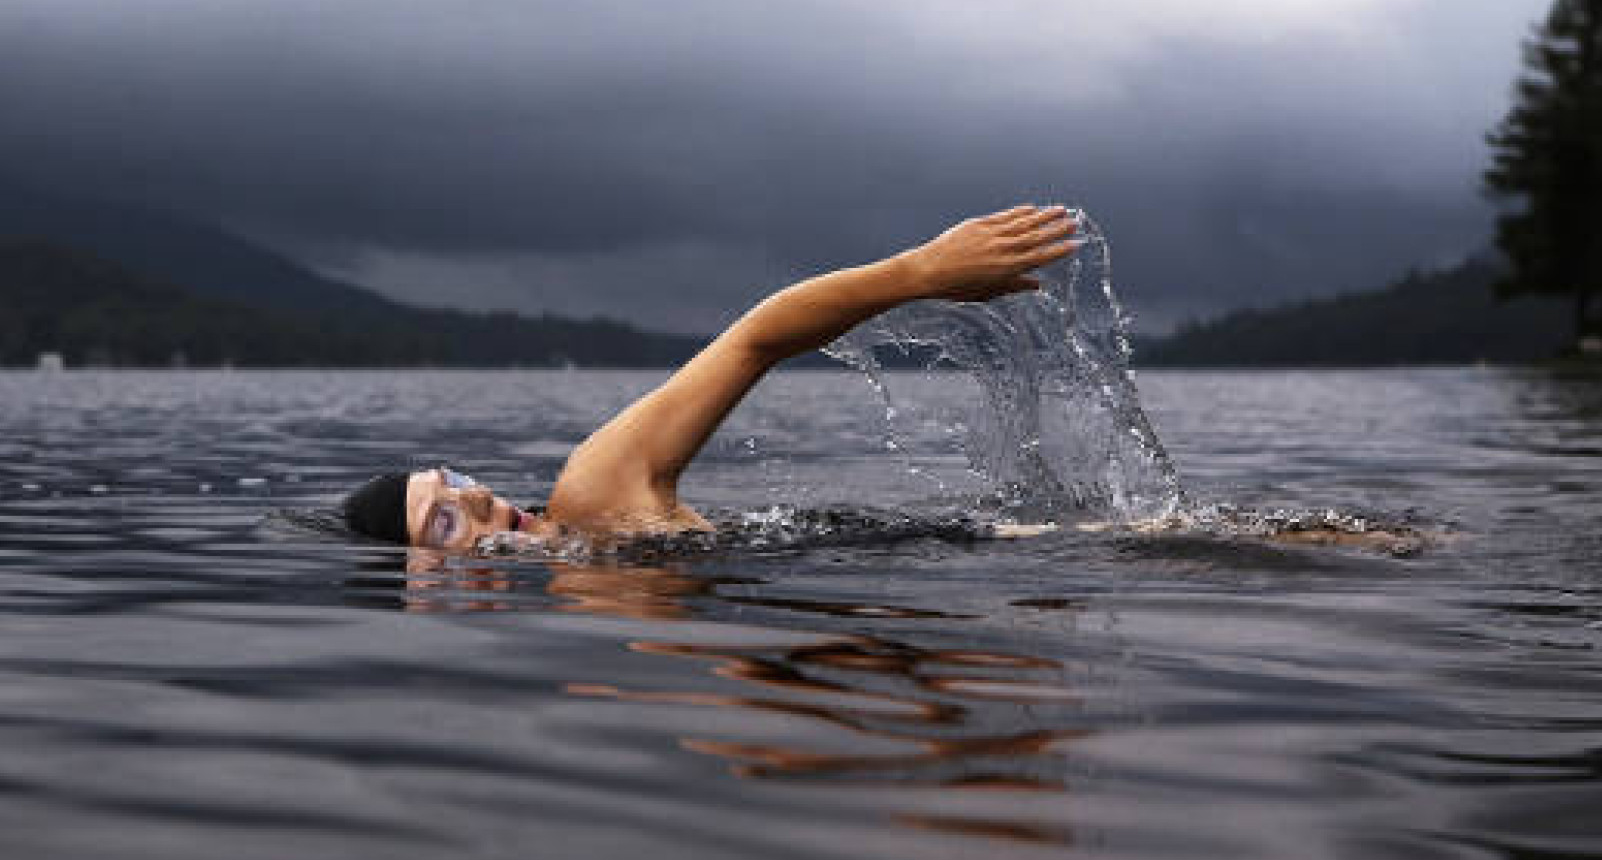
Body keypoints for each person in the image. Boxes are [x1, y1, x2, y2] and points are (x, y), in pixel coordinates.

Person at [342, 204, 1082, 552]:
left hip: (1026, 552)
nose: (475, 495)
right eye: (444, 520)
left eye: (454, 481)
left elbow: (754, 340)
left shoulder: (594, 497)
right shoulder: (586, 611)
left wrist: (920, 272)